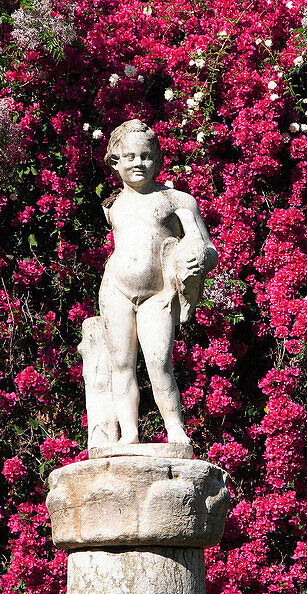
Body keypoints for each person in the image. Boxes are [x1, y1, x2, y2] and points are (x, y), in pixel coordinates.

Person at [99, 119, 217, 445]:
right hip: (116, 289)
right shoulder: (112, 206)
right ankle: (129, 435)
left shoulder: (177, 200)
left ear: (157, 159)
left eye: (145, 156)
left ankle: (176, 429)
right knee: (121, 363)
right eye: (130, 156)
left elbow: (206, 247)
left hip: (158, 292)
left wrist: (201, 257)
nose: (138, 163)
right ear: (115, 161)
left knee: (159, 361)